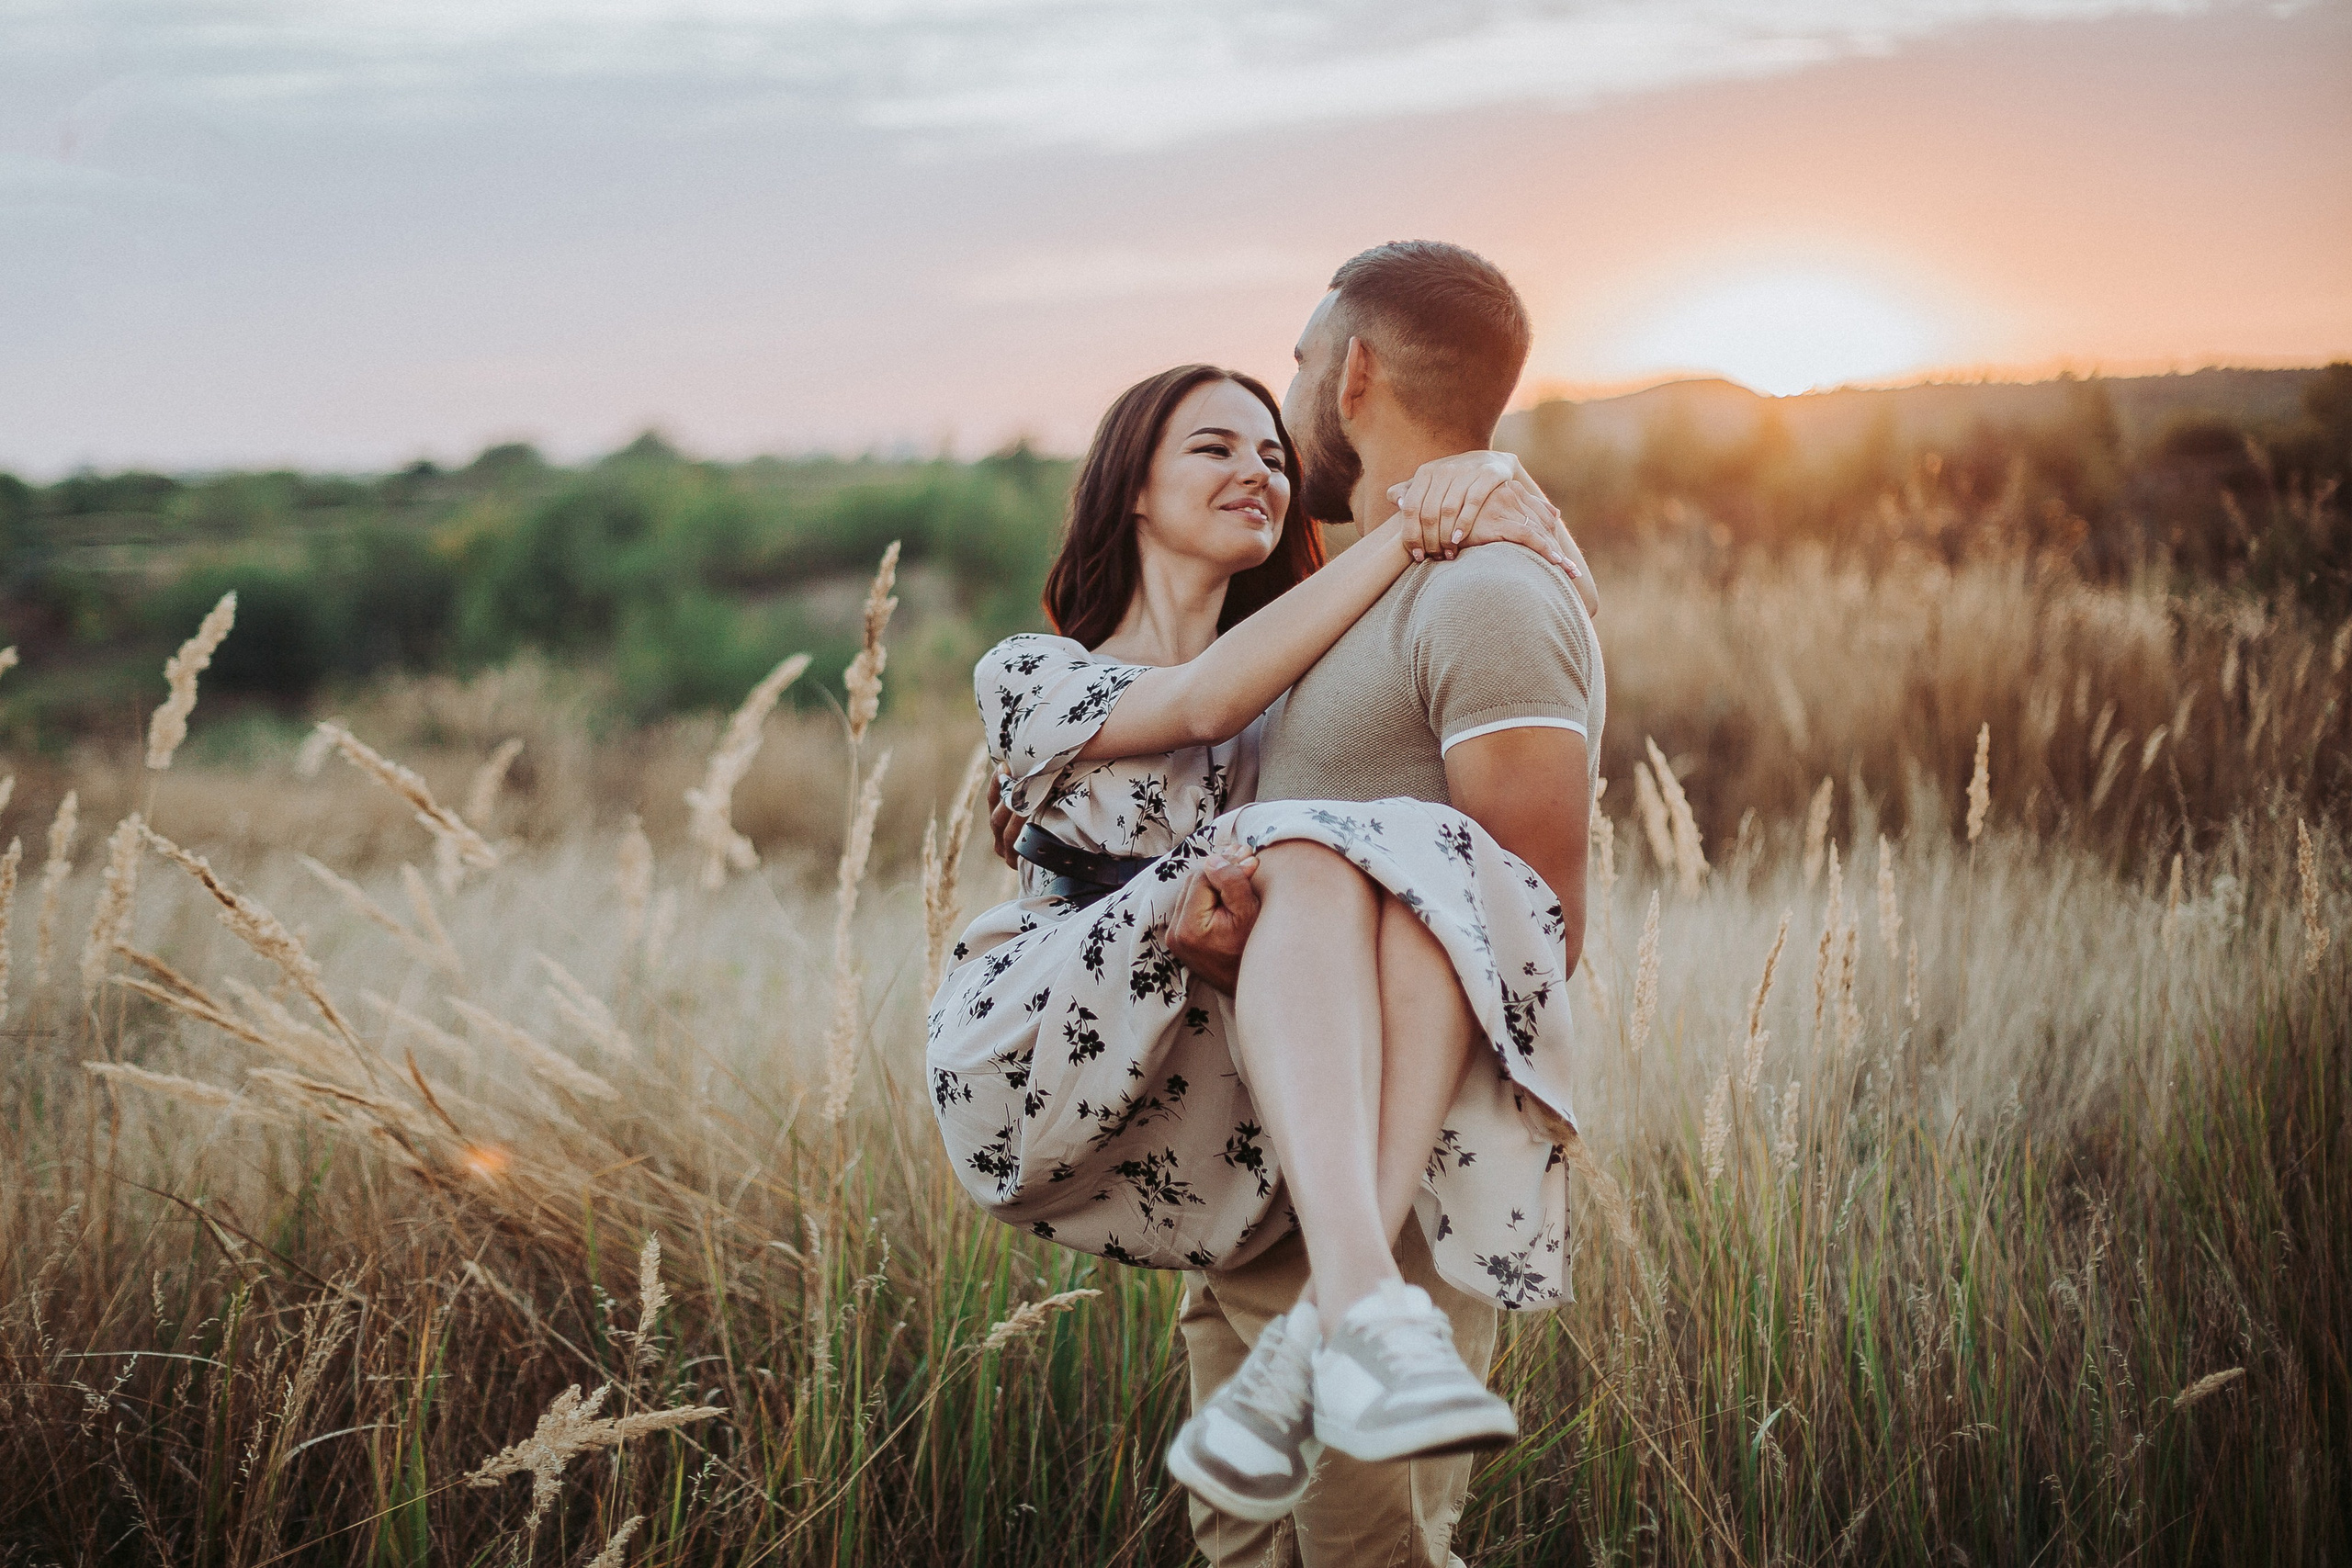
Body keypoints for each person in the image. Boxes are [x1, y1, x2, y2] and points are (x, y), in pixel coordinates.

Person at [933, 244, 1600, 1568]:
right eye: (1210, 447)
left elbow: (1517, 909)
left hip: (1251, 1152)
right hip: (1049, 1036)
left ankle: (1339, 1308)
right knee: (1328, 843)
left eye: (1273, 429)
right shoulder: (1036, 673)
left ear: (1348, 375)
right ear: (1129, 487)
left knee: (1316, 1552)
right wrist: (1422, 516)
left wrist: (1505, 499)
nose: (1264, 462)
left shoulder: (1327, 658)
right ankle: (1349, 1297)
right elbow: (1200, 701)